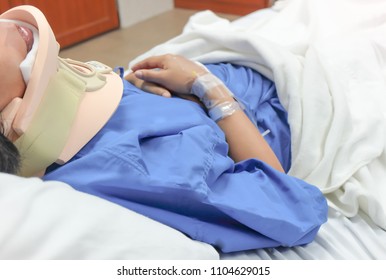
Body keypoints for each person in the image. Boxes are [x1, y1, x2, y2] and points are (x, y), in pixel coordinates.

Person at [0, 5, 327, 253]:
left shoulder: (79, 118)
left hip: (238, 62)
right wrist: (210, 90)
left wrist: (136, 82)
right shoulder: (139, 169)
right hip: (291, 91)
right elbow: (296, 208)